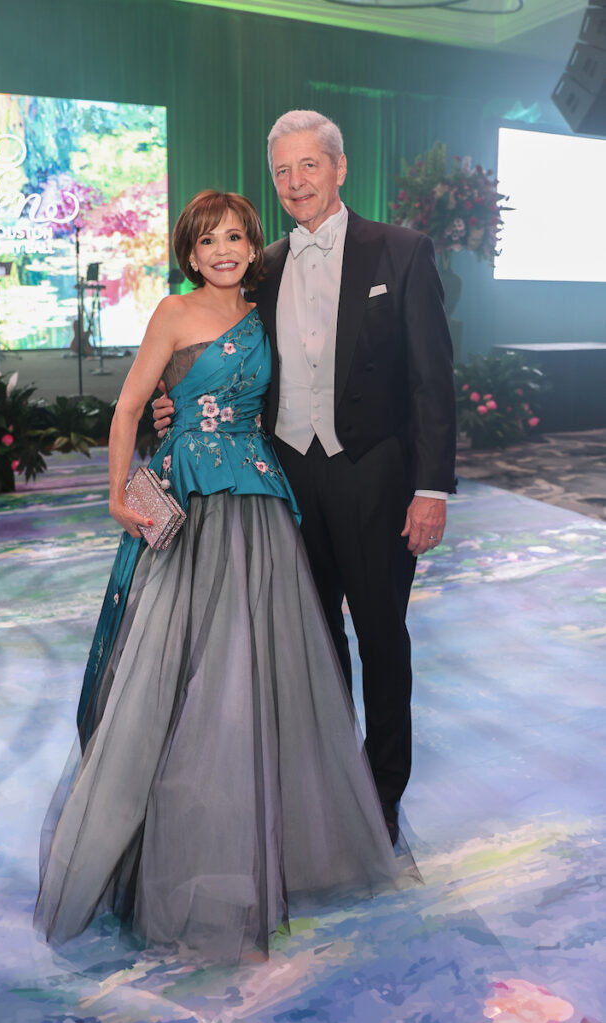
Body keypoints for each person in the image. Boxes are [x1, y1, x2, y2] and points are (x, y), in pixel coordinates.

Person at [34, 190, 413, 963]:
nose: (224, 250)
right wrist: (116, 491)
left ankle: (282, 850)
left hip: (260, 505)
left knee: (261, 673)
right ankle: (181, 855)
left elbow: (299, 382)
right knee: (179, 673)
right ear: (188, 250)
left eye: (236, 236)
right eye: (208, 240)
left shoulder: (265, 301)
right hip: (190, 504)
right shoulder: (172, 315)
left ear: (251, 246)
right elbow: (129, 409)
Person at [154, 111, 457, 844]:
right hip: (285, 481)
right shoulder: (263, 268)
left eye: (308, 166)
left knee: (381, 637)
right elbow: (214, 356)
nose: (294, 183)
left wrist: (431, 488)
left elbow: (431, 381)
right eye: (282, 171)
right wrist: (171, 405)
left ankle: (381, 794)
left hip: (377, 478)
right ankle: (329, 786)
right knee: (312, 642)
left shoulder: (402, 252)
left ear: (339, 168)